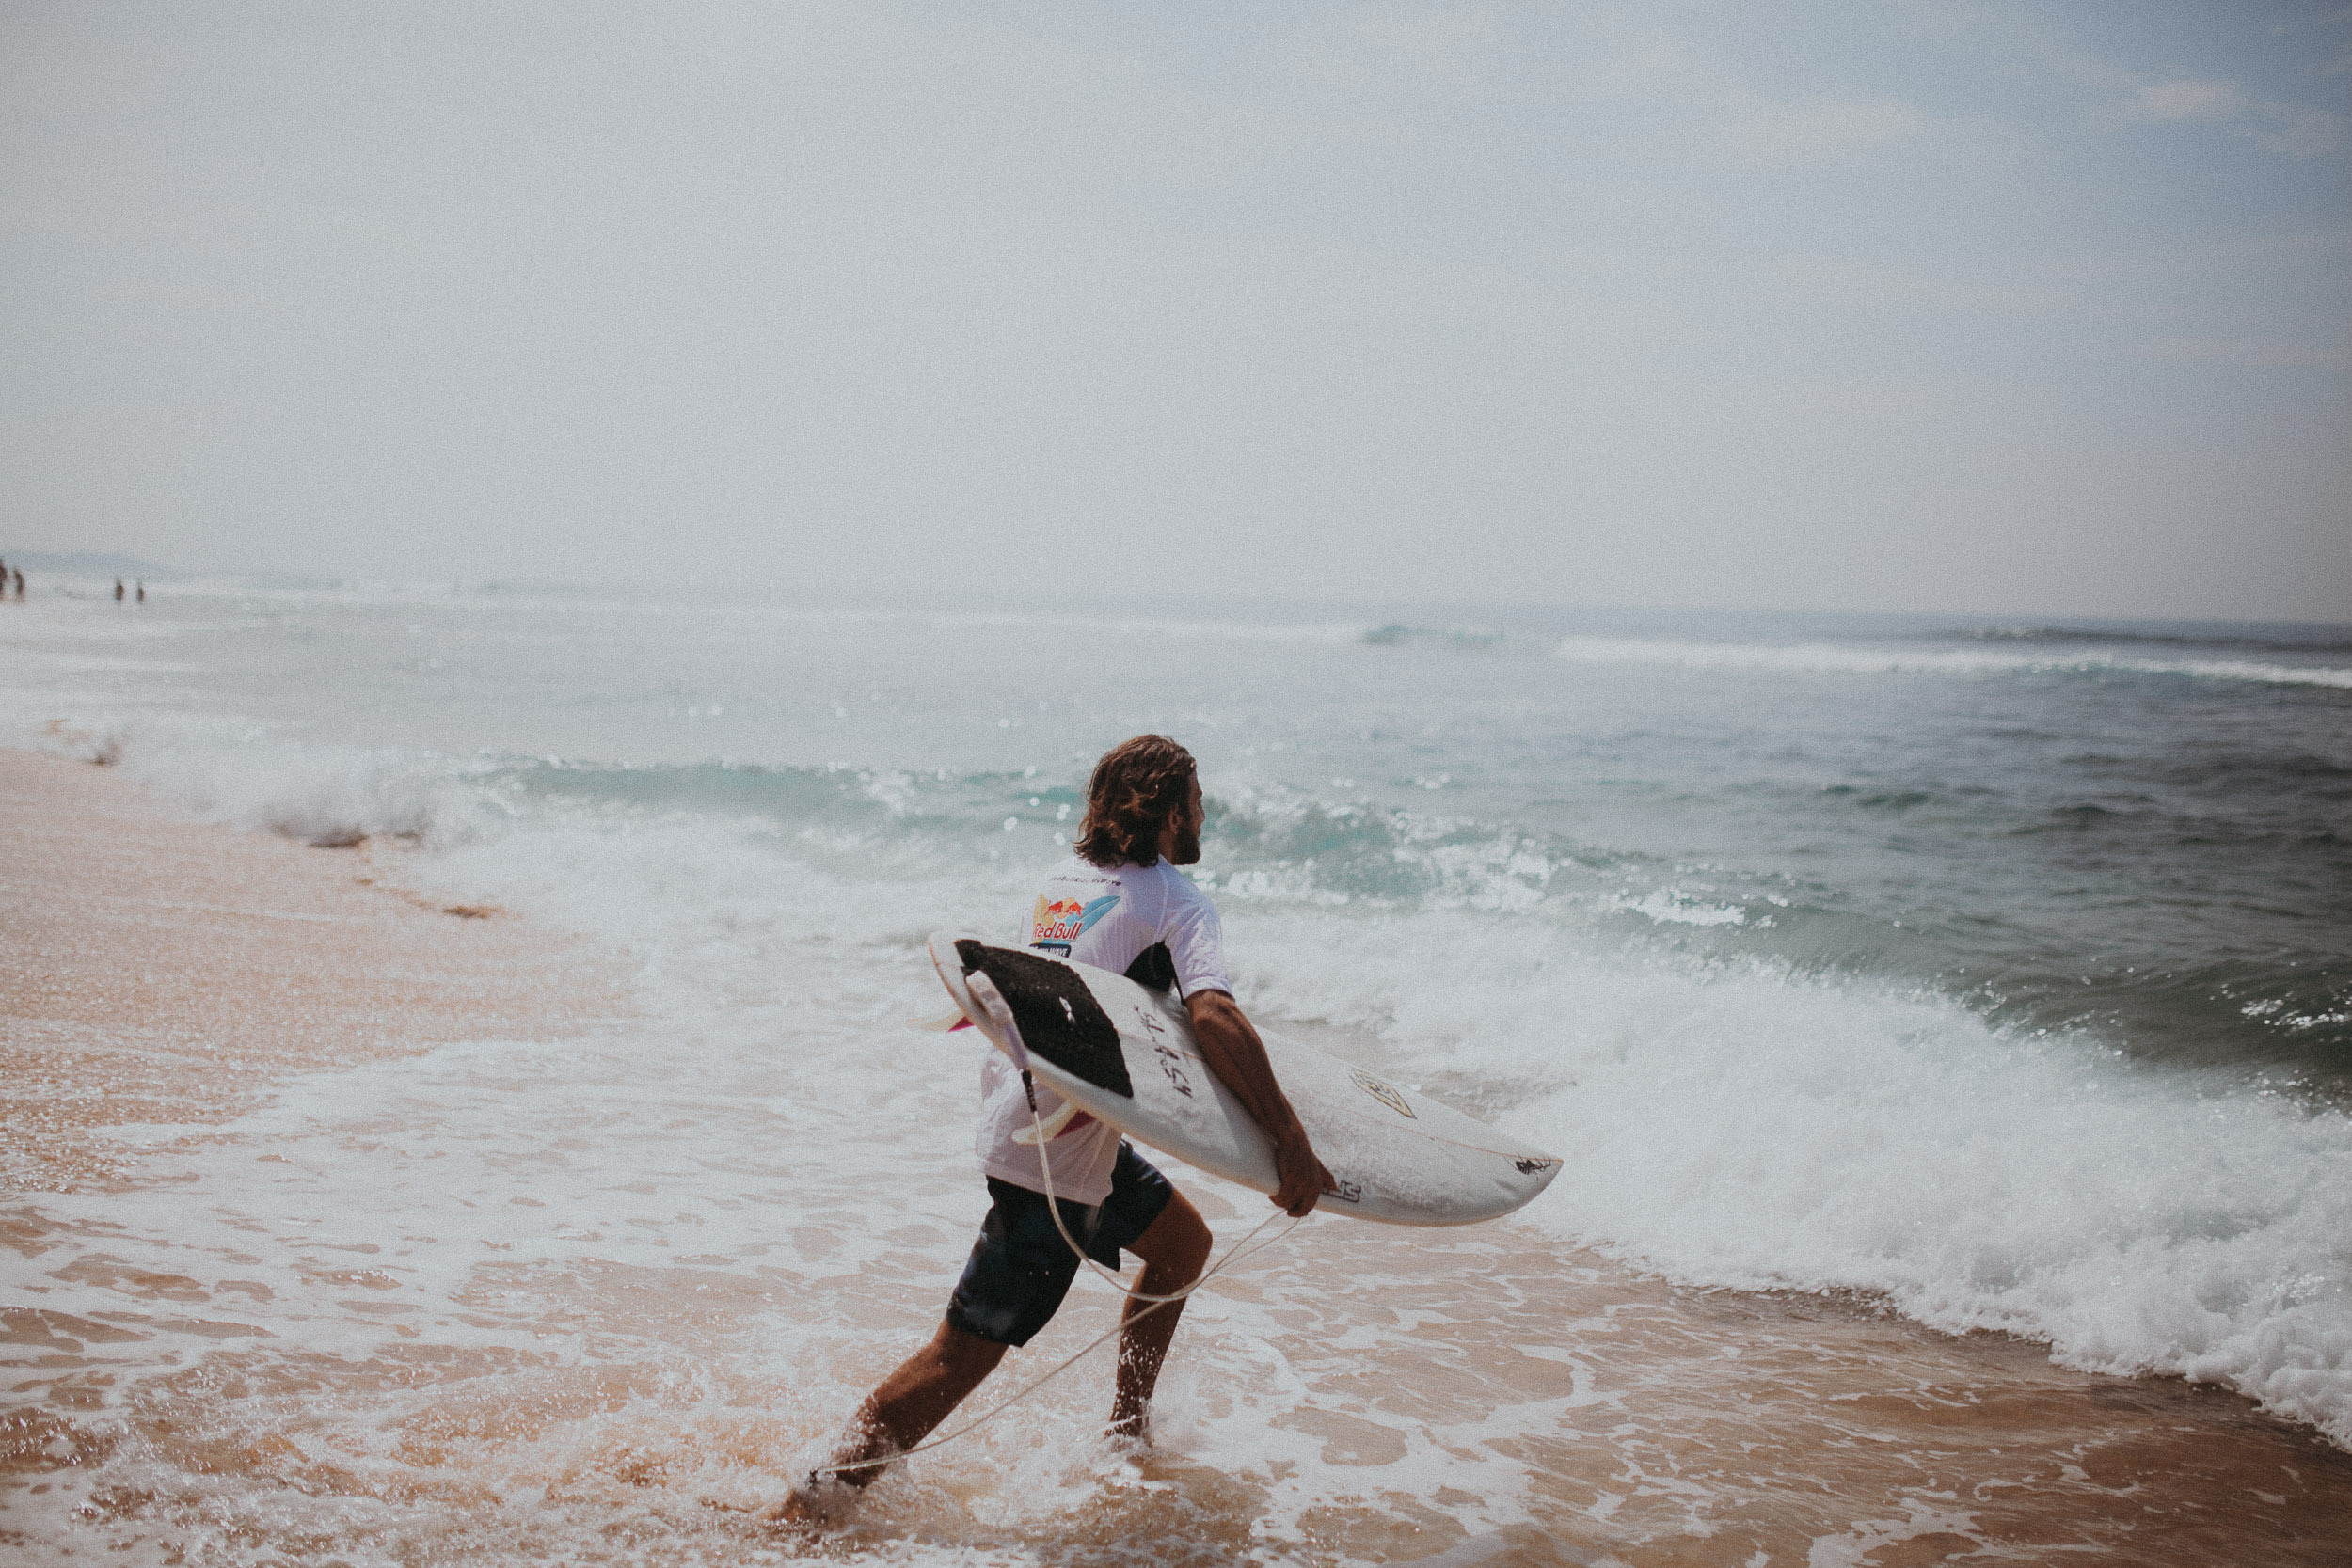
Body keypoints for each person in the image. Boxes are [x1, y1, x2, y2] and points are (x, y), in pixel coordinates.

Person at [769, 735, 1332, 1524]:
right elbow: (1213, 1015)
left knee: (1181, 1245)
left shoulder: (1063, 880)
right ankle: (808, 1504)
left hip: (1033, 1116)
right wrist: (1291, 1141)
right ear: (1170, 812)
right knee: (960, 1354)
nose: (1205, 814)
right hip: (1057, 1157)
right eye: (1197, 800)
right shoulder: (1175, 899)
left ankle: (1125, 1434)